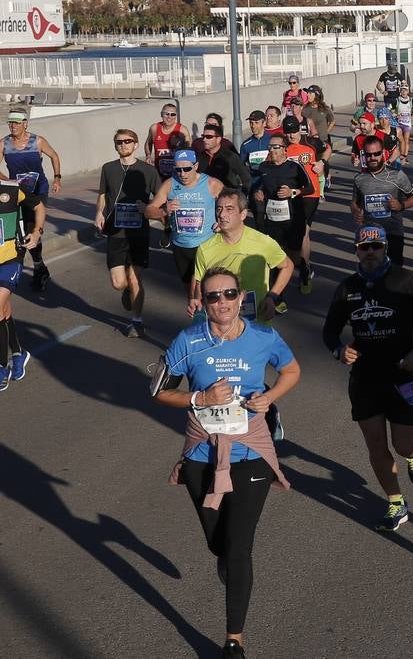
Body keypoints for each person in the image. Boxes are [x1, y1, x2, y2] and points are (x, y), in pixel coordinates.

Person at [156, 266, 300, 657]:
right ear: (202, 303)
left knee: (239, 547)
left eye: (229, 294)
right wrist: (200, 399)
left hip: (250, 451)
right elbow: (159, 391)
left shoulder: (263, 337)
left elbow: (291, 370)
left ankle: (234, 638)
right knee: (217, 542)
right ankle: (226, 559)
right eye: (213, 296)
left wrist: (270, 399)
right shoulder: (188, 341)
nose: (221, 303)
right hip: (201, 455)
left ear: (241, 297)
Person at [322, 226, 413, 531]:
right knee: (375, 444)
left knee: (401, 444)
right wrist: (339, 351)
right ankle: (396, 502)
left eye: (376, 247)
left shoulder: (405, 279)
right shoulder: (347, 288)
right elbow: (329, 332)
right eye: (364, 247)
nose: (370, 252)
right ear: (356, 250)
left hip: (404, 373)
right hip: (365, 378)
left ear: (385, 248)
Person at [190, 188, 293, 325]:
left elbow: (287, 266)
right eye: (219, 209)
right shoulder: (205, 248)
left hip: (256, 321)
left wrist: (272, 296)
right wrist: (199, 307)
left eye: (229, 209)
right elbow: (199, 281)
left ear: (243, 214)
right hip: (221, 324)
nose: (222, 214)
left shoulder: (263, 242)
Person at [94, 129, 158, 337]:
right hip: (116, 232)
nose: (123, 145)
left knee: (135, 277)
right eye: (119, 142)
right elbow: (103, 194)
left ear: (136, 144)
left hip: (139, 233)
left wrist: (149, 208)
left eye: (128, 141)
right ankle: (128, 291)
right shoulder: (108, 168)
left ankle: (136, 322)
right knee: (118, 283)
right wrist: (98, 213)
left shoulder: (147, 171)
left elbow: (159, 198)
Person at [146, 150, 225, 298]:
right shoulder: (170, 184)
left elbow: (231, 206)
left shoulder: (212, 183)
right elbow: (149, 211)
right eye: (178, 169)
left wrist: (222, 224)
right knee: (189, 289)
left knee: (205, 289)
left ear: (195, 166)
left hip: (207, 244)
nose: (182, 173)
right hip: (181, 246)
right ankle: (199, 317)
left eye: (186, 169)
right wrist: (163, 211)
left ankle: (209, 318)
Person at [2, 108, 61, 291]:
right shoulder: (4, 143)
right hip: (17, 192)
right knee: (22, 230)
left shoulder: (38, 141)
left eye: (17, 122)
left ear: (25, 123)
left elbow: (54, 156)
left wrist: (57, 178)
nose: (13, 126)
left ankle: (38, 268)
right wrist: (8, 181)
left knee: (31, 227)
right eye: (10, 122)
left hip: (38, 189)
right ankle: (40, 266)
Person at [251, 135, 313, 310]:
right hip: (273, 220)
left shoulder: (294, 167)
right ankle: (278, 298)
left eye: (275, 147)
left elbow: (310, 188)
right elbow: (260, 186)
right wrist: (259, 192)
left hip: (294, 219)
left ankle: (304, 268)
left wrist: (292, 192)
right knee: (277, 257)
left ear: (284, 149)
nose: (272, 150)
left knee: (292, 256)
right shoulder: (263, 167)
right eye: (270, 147)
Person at [351, 141, 413, 266]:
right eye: (369, 155)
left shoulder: (397, 175)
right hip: (370, 233)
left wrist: (401, 205)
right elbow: (354, 203)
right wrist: (356, 211)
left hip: (393, 232)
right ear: (364, 156)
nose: (372, 158)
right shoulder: (359, 178)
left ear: (383, 153)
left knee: (394, 272)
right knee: (371, 271)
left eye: (376, 154)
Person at [0, 178, 40, 391]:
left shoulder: (12, 188)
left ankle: (1, 367)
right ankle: (18, 352)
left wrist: (37, 232)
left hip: (11, 259)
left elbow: (39, 207)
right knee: (3, 311)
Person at [282, 117, 328, 293]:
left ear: (299, 130)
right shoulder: (283, 147)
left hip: (310, 193)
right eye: (288, 132)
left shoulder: (311, 142)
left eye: (294, 131)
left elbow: (327, 149)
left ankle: (305, 269)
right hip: (290, 194)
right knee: (289, 231)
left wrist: (322, 163)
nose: (291, 135)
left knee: (303, 231)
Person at [147, 103, 186, 180]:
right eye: (166, 114)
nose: (169, 117)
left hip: (177, 175)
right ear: (161, 114)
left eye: (173, 114)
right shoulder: (154, 128)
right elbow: (148, 142)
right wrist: (148, 155)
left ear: (176, 116)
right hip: (159, 174)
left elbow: (189, 151)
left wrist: (179, 144)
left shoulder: (182, 130)